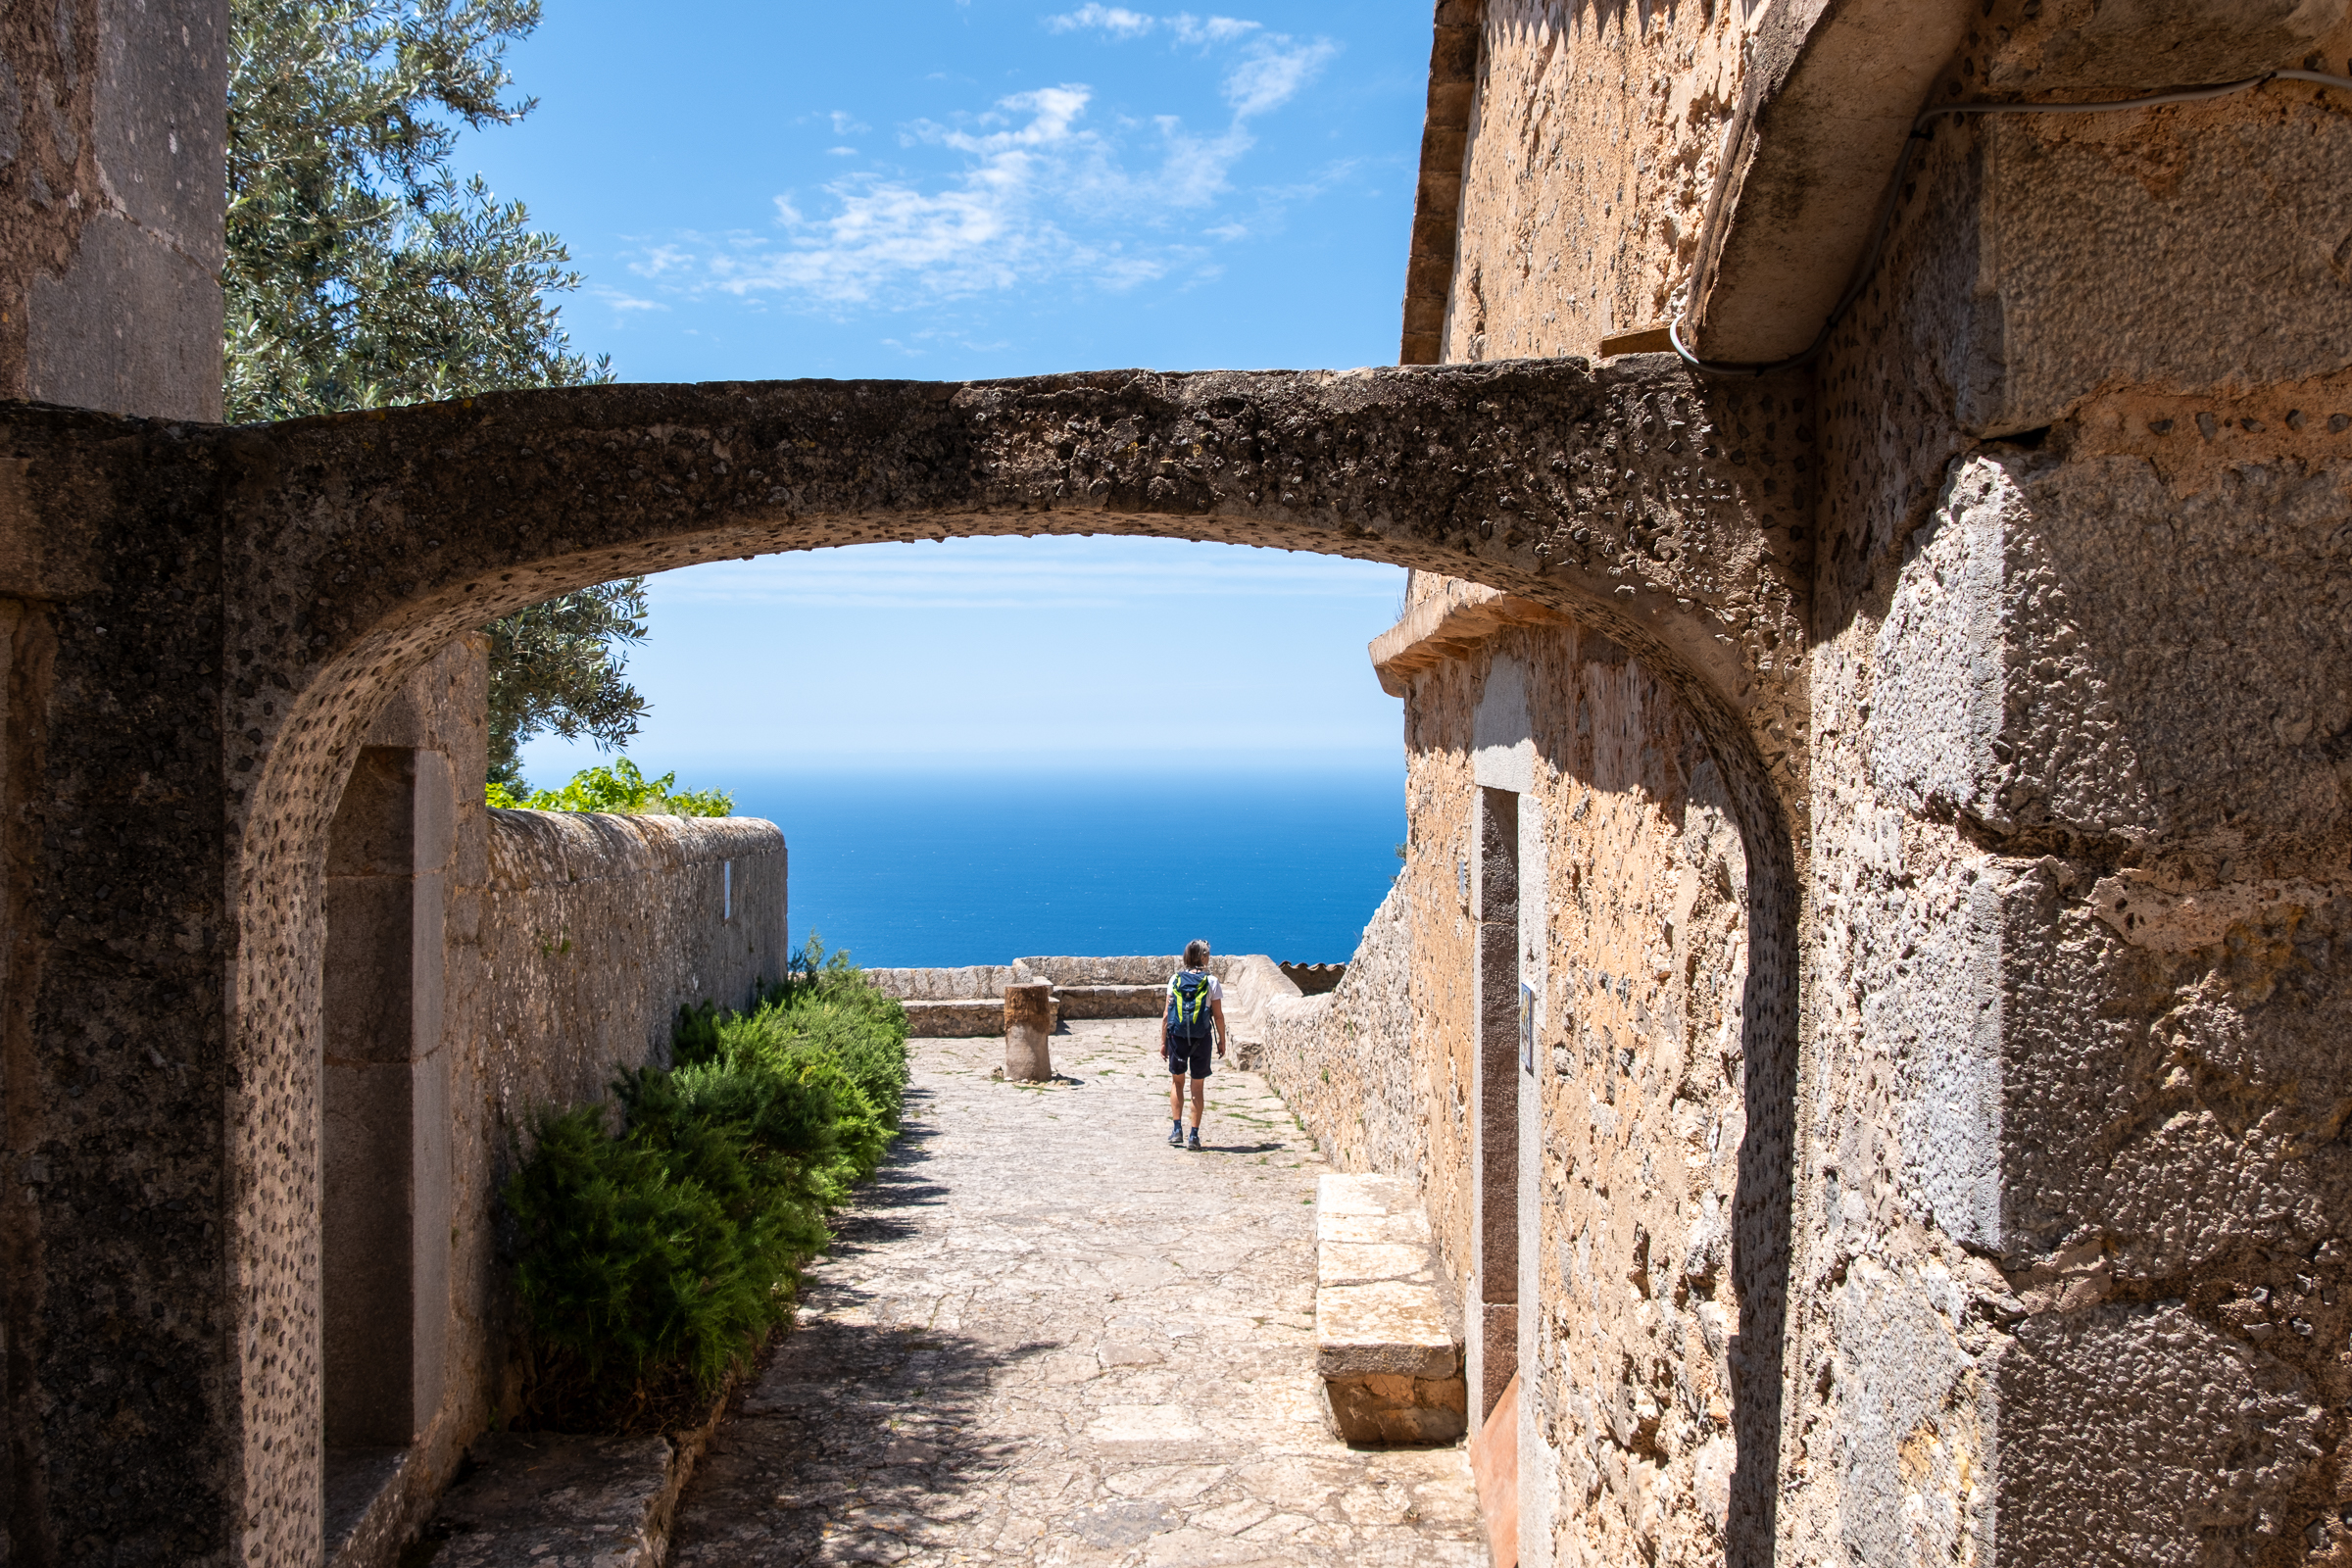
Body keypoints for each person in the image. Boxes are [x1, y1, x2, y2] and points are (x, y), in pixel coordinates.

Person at [1163, 939, 1228, 1150]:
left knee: (1177, 1083)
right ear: (1201, 957)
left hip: (1177, 1038)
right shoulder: (1212, 982)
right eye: (1207, 954)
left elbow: (1166, 1015)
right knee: (1197, 1087)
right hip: (1202, 1039)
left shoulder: (1174, 980)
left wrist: (1163, 1041)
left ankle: (1176, 1130)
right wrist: (1222, 1041)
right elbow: (1218, 1016)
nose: (1209, 957)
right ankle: (1194, 1136)